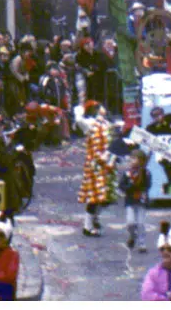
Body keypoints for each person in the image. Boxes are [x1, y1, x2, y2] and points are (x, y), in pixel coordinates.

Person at [77, 100, 118, 237]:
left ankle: (95, 217)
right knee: (94, 197)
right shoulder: (88, 124)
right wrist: (81, 110)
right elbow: (78, 118)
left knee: (108, 197)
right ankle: (87, 226)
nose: (102, 108)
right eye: (99, 107)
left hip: (108, 163)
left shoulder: (107, 124)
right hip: (96, 165)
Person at [119, 149, 151, 253]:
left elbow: (147, 186)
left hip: (141, 200)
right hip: (130, 200)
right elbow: (122, 186)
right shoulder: (128, 173)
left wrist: (140, 179)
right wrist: (130, 185)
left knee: (141, 223)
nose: (132, 160)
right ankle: (133, 235)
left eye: (135, 158)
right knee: (130, 222)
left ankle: (142, 243)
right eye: (131, 158)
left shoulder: (146, 173)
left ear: (141, 161)